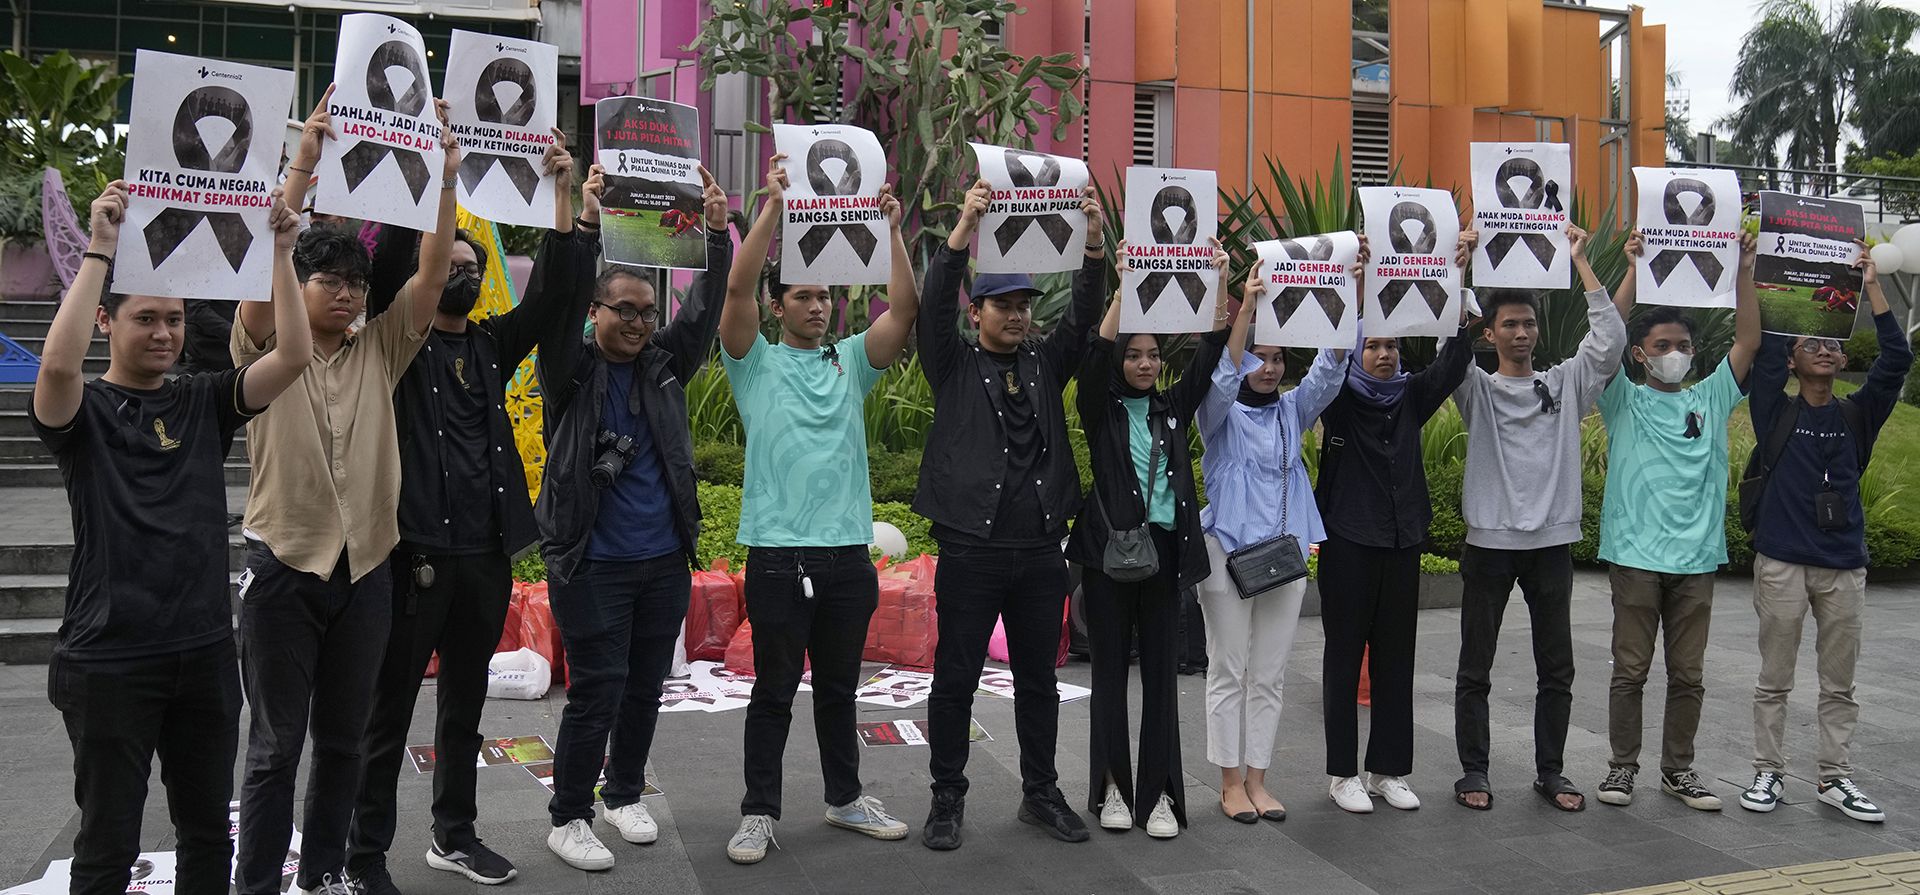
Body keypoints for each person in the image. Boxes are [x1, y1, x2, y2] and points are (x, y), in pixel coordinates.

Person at [31, 183, 310, 895]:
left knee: (209, 832)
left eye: (175, 319)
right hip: (110, 657)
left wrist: (281, 253)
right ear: (106, 321)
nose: (163, 333)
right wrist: (100, 245)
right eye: (145, 318)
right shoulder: (84, 411)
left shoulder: (201, 399)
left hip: (204, 651)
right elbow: (57, 369)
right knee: (107, 843)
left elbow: (292, 360)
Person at [230, 85, 461, 895]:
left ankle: (324, 873)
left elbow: (431, 275)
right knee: (273, 747)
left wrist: (442, 173)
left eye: (356, 285)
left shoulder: (380, 351)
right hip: (285, 569)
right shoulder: (263, 349)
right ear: (302, 286)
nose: (347, 294)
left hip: (366, 572)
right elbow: (265, 270)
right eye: (329, 280)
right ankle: (255, 883)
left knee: (344, 739)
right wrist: (304, 162)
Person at [342, 132, 586, 892]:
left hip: (483, 557)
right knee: (387, 716)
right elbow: (384, 266)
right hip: (410, 555)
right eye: (447, 263)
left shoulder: (490, 345)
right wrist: (432, 177)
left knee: (464, 706)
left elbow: (554, 292)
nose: (462, 272)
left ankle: (455, 835)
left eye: (472, 268)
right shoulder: (395, 345)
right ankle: (363, 854)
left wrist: (562, 201)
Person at [721, 153, 921, 864]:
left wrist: (893, 231)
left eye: (823, 296)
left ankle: (843, 799)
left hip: (846, 555)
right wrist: (772, 208)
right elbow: (737, 284)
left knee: (838, 690)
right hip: (778, 554)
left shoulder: (850, 360)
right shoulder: (753, 361)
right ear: (778, 307)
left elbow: (903, 310)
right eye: (800, 295)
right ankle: (757, 812)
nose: (816, 305)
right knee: (774, 691)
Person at [535, 162, 732, 869]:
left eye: (647, 312)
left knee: (646, 687)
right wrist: (585, 224)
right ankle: (569, 815)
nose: (640, 323)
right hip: (591, 563)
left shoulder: (664, 365)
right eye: (625, 310)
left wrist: (715, 232)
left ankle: (623, 794)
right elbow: (554, 309)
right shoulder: (572, 370)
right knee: (596, 691)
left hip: (661, 561)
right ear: (596, 313)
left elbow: (702, 310)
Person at [912, 179, 1106, 850]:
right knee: (956, 679)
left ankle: (1041, 793)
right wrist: (964, 225)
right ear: (979, 310)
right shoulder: (952, 363)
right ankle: (946, 797)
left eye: (1025, 303)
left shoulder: (1046, 365)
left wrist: (1095, 248)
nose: (1018, 314)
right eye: (1004, 304)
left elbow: (1084, 317)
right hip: (970, 550)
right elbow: (933, 307)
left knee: (1039, 683)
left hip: (1040, 552)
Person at [1451, 224, 1624, 813]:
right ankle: (1474, 770)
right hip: (1490, 543)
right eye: (1509, 324)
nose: (1521, 332)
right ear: (1491, 332)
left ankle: (1551, 770)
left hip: (1551, 542)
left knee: (1558, 668)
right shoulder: (1475, 387)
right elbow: (1447, 349)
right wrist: (1463, 265)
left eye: (1528, 323)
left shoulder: (1565, 384)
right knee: (1476, 665)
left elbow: (1609, 341)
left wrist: (1581, 261)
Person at [1739, 240, 1913, 822]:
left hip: (1844, 565)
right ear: (1793, 359)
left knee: (1840, 685)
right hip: (1783, 560)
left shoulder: (1857, 413)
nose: (1824, 350)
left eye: (1833, 344)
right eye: (1811, 343)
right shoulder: (1775, 409)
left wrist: (1871, 287)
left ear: (1842, 362)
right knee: (1775, 679)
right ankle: (1768, 772)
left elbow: (1895, 362)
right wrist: (1756, 276)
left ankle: (1834, 779)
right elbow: (1762, 354)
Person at [1592, 231, 1761, 812]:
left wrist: (1742, 270)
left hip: (1697, 559)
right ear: (1639, 353)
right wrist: (1634, 269)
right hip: (1635, 556)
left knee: (1688, 676)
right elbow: (1604, 336)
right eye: (1663, 343)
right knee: (1630, 671)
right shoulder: (1622, 398)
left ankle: (1678, 771)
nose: (1676, 351)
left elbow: (1749, 339)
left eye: (1683, 343)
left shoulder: (1712, 396)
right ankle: (1621, 769)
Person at [1071, 240, 1230, 840]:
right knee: (1109, 675)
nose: (1143, 363)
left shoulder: (1171, 407)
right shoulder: (1101, 407)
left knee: (1163, 679)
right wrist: (1124, 282)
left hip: (1164, 556)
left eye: (1152, 355)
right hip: (1110, 556)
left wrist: (1217, 282)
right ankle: (1112, 789)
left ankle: (1161, 795)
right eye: (1134, 354)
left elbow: (1212, 350)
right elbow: (1095, 351)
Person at [1315, 233, 1476, 814]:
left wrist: (1458, 280)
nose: (1384, 354)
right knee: (1342, 656)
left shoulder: (1410, 396)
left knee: (1395, 655)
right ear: (1357, 351)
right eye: (1373, 345)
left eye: (1391, 346)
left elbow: (1456, 359)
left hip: (1403, 539)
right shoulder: (1337, 397)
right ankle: (1341, 775)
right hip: (1349, 543)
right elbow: (1329, 354)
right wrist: (1356, 282)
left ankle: (1388, 770)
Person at [1194, 255, 1355, 824]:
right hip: (1227, 555)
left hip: (1285, 555)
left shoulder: (1293, 409)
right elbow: (1217, 373)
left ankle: (1260, 778)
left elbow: (1330, 370)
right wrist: (1246, 306)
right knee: (1228, 668)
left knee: (1269, 673)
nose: (1267, 367)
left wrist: (1347, 291)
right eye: (1259, 357)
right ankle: (1230, 782)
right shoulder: (1218, 415)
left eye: (1277, 357)